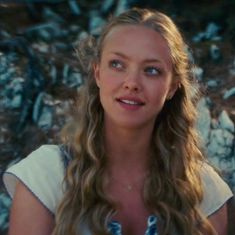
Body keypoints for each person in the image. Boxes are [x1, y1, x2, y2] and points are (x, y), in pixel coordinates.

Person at [3, 8, 233, 235]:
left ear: (172, 86)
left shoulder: (204, 190)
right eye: (117, 64)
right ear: (98, 73)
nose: (131, 83)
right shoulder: (47, 176)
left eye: (151, 70)